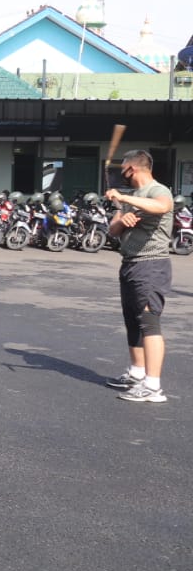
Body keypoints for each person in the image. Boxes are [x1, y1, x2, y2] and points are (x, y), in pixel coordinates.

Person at [104, 149, 174, 403]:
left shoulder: (158, 190)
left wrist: (124, 198)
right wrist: (124, 220)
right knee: (132, 321)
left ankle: (153, 387)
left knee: (148, 321)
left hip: (151, 264)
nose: (121, 173)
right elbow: (112, 230)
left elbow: (163, 206)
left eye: (123, 168)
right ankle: (137, 373)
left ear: (132, 169)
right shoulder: (131, 197)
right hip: (130, 263)